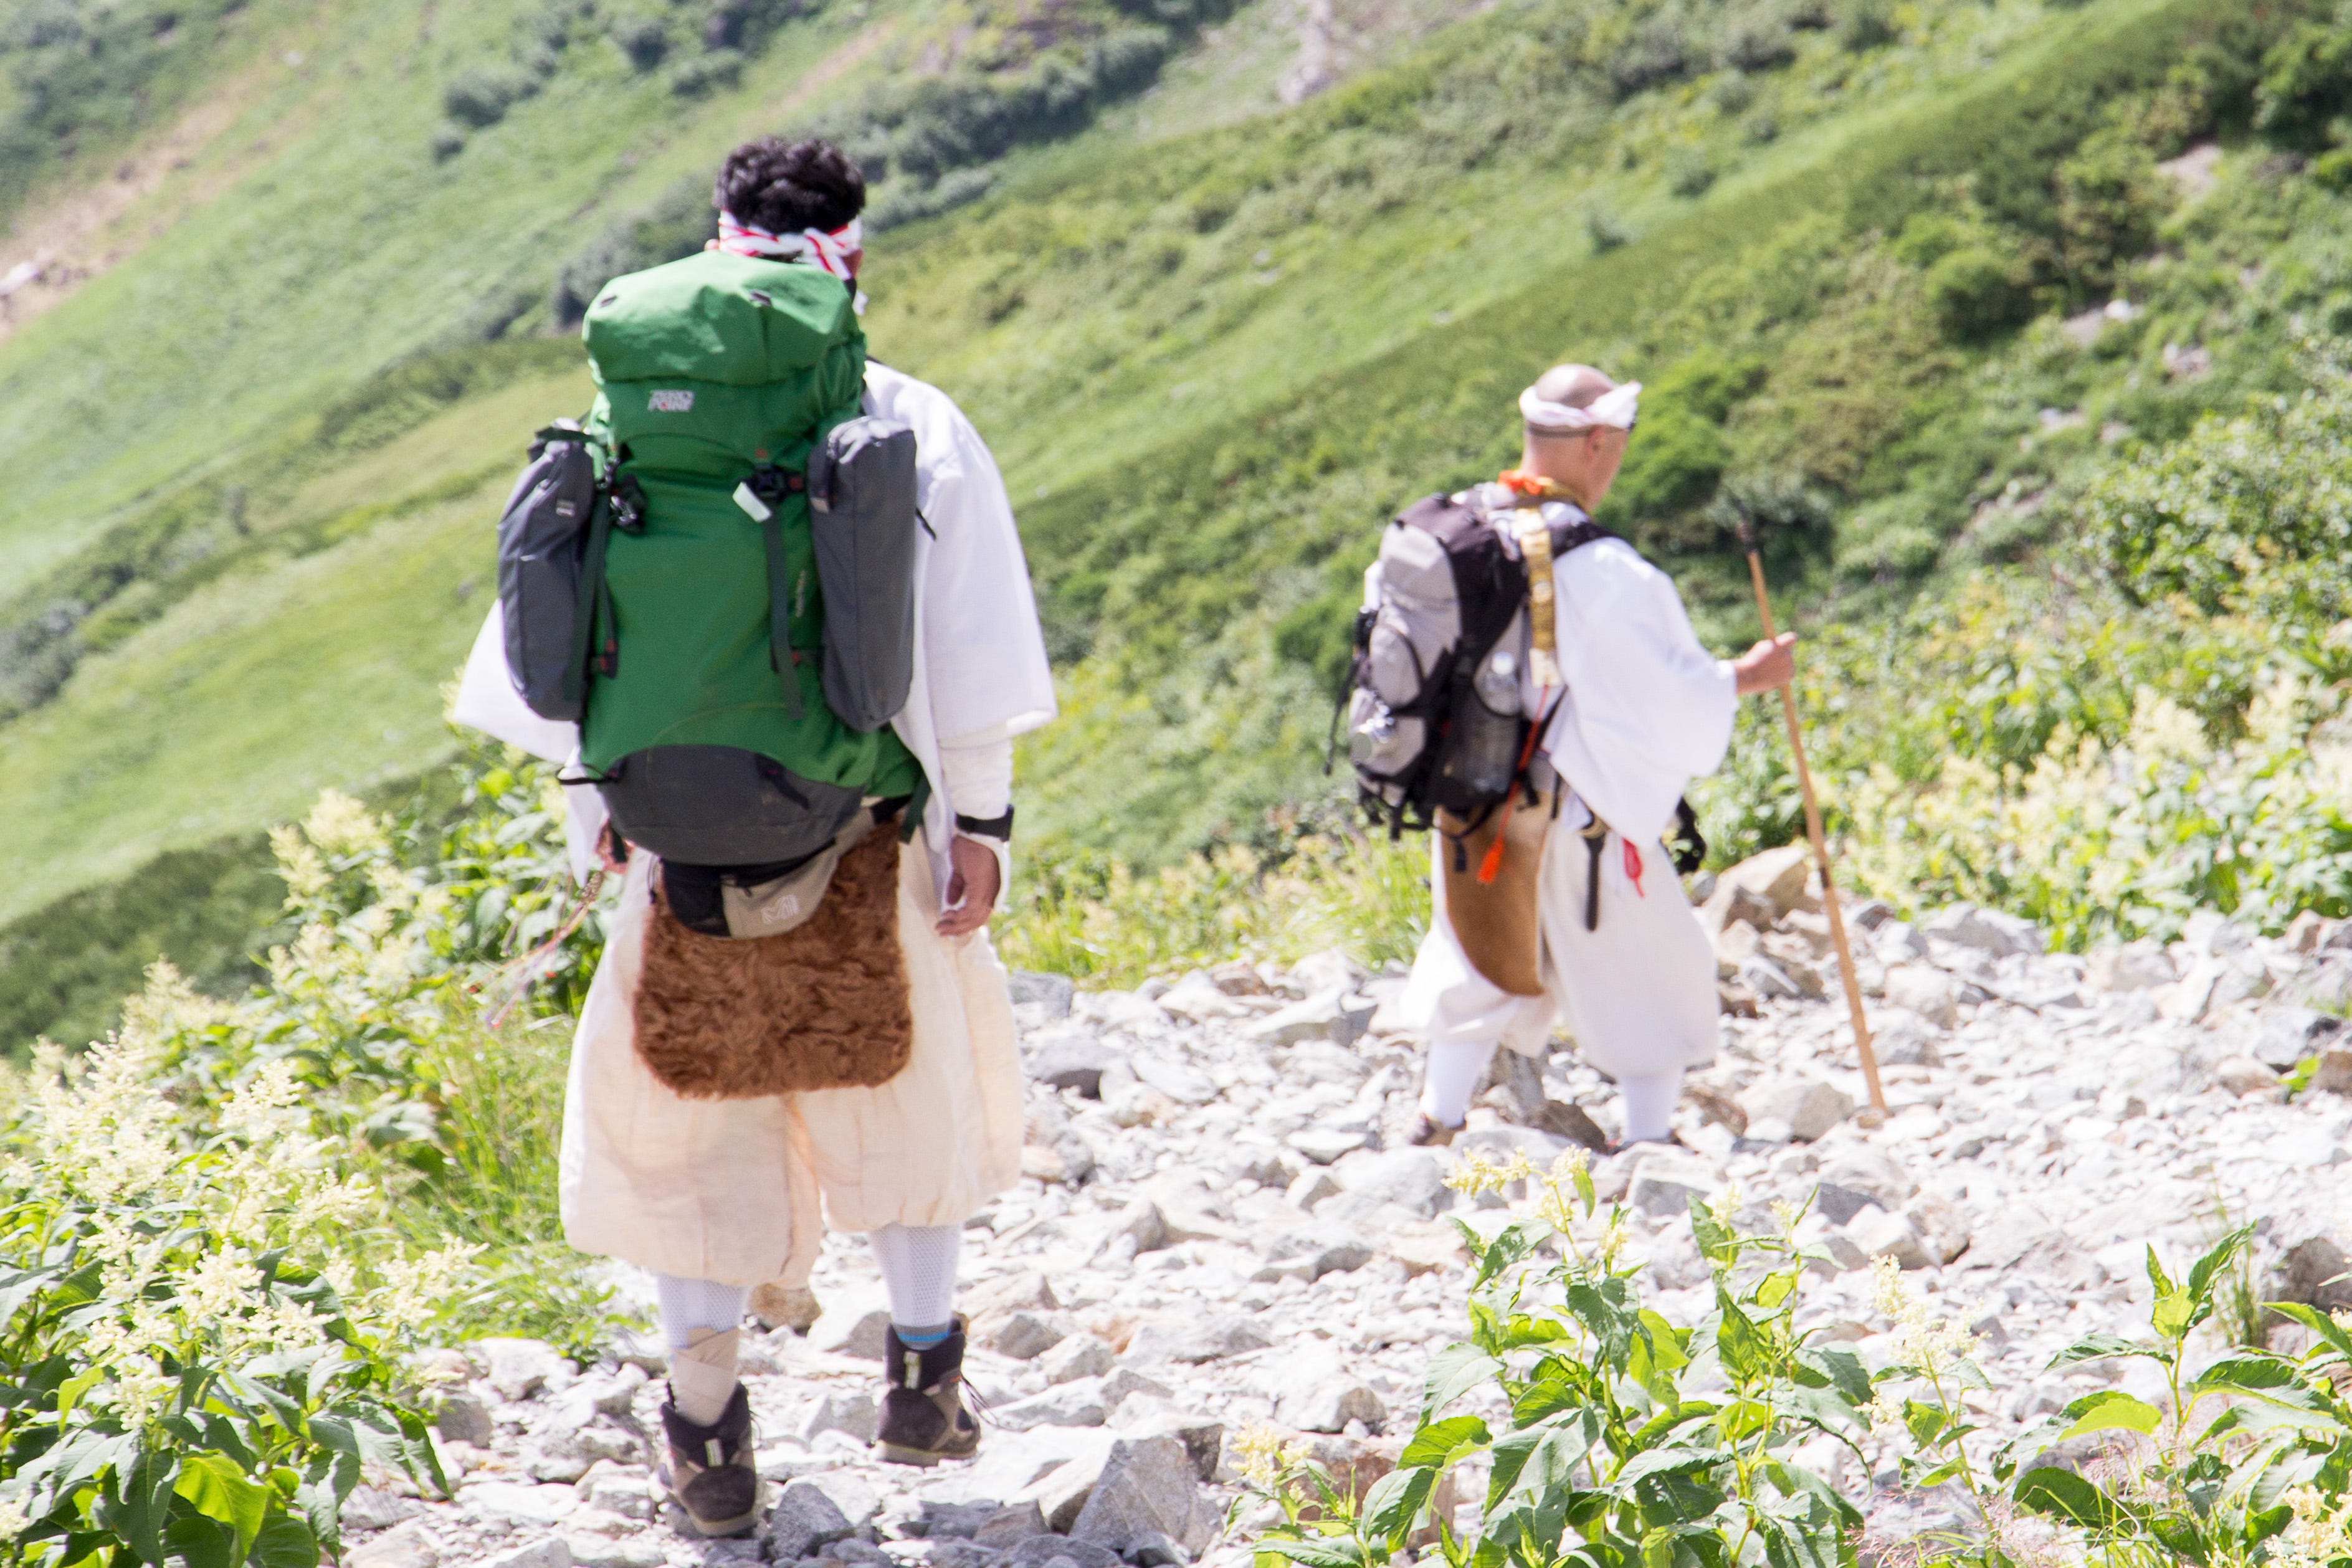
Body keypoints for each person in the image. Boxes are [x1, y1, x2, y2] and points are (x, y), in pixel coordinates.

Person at [452, 137, 1055, 1529]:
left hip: (673, 832)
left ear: (716, 243)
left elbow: (552, 648)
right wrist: (983, 819)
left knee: (691, 1120)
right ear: (852, 252)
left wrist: (596, 808)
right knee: (905, 1081)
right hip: (872, 820)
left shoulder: (628, 422)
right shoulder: (906, 416)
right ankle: (922, 1374)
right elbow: (969, 645)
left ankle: (710, 1437)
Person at [1393, 363, 1795, 1150]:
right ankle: (1647, 1140)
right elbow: (1662, 693)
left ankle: (1437, 1118)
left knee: (1477, 952)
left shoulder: (1463, 528)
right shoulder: (1600, 567)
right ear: (1597, 442)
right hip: (1577, 808)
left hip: (1472, 798)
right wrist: (1744, 678)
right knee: (1653, 960)